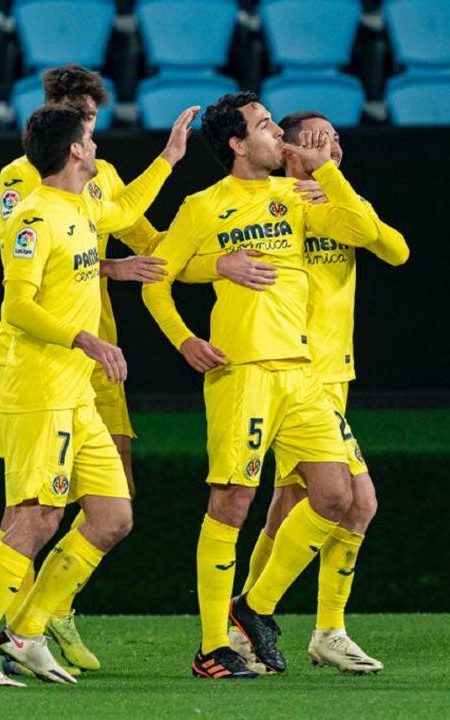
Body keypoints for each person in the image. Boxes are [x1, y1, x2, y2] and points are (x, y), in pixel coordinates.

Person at [0, 102, 197, 686]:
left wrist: (170, 157)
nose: (98, 143)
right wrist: (86, 337)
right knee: (36, 519)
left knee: (112, 517)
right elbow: (18, 305)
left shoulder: (82, 206)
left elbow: (127, 207)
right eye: (91, 137)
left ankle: (26, 633)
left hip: (75, 389)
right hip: (37, 384)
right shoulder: (33, 218)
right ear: (76, 151)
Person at [141, 92, 381, 679]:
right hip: (241, 373)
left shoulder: (295, 196)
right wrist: (184, 339)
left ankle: (253, 607)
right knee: (233, 502)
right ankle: (211, 646)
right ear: (236, 144)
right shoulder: (204, 205)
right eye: (266, 126)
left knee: (339, 498)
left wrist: (327, 174)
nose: (279, 134)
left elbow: (365, 232)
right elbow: (156, 280)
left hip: (302, 376)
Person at [230, 111, 408, 675]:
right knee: (358, 501)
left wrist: (326, 176)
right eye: (319, 139)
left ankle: (252, 631)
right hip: (295, 375)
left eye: (335, 139)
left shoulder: (335, 198)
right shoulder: (274, 207)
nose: (334, 146)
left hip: (335, 375)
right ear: (289, 147)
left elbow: (393, 248)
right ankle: (281, 619)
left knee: (287, 510)